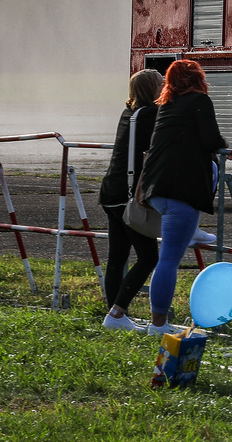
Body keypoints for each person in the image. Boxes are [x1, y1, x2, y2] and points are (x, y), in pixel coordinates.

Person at [136, 58, 228, 336]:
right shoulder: (199, 100)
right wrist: (225, 146)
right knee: (169, 260)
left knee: (168, 254)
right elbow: (212, 141)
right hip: (180, 193)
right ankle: (158, 324)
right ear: (197, 79)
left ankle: (193, 230)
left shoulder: (166, 104)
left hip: (155, 188)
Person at [97, 69, 164, 331]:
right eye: (160, 82)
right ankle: (116, 312)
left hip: (112, 192)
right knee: (149, 258)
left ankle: (114, 315)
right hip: (128, 197)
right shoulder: (150, 115)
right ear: (151, 88)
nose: (164, 86)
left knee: (117, 258)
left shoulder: (130, 113)